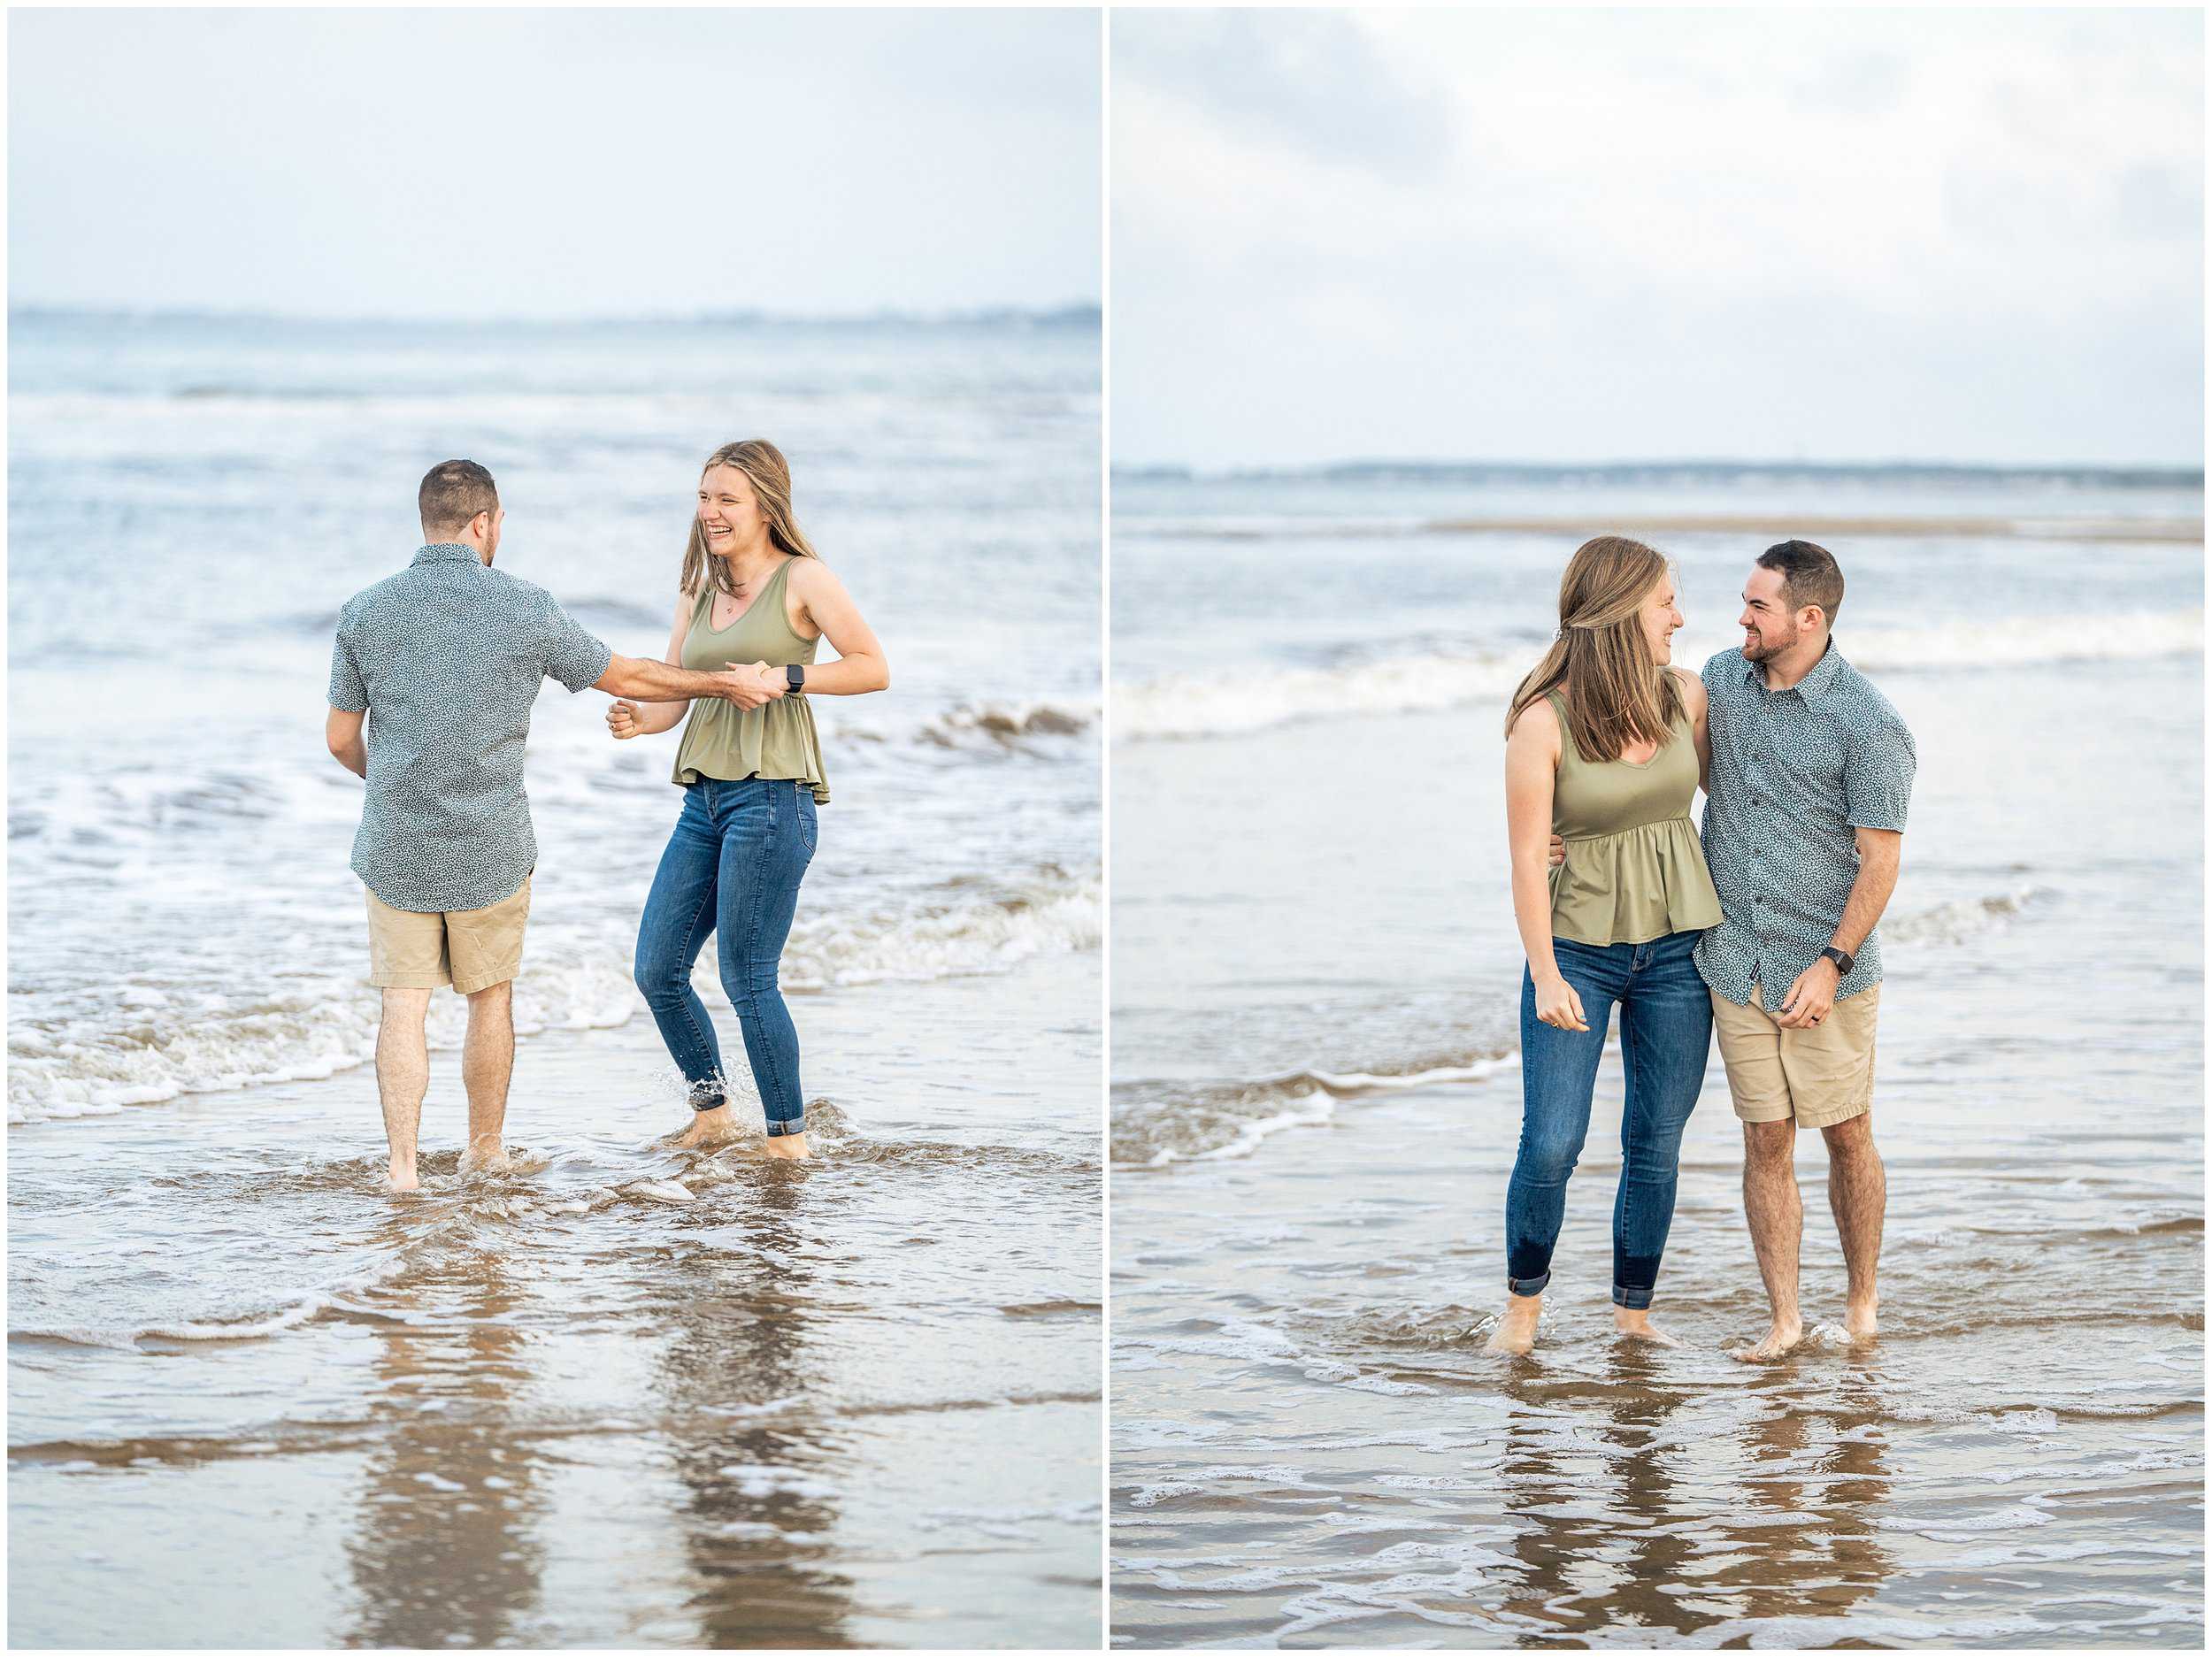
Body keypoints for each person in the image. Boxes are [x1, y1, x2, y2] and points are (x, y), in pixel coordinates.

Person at [326, 459, 783, 1193]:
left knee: (402, 1004)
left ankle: (404, 1173)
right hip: (492, 845)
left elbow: (341, 738)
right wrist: (721, 681)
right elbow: (627, 675)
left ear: (428, 521)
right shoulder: (524, 607)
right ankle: (485, 1150)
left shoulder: (366, 611)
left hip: (395, 844)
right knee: (489, 997)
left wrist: (388, 789)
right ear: (485, 523)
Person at [608, 440, 889, 1162]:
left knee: (746, 975)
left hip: (772, 798)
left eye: (726, 499)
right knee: (657, 968)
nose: (710, 512)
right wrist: (644, 719)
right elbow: (677, 688)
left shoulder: (803, 578)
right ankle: (712, 1112)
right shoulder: (696, 589)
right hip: (703, 800)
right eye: (704, 498)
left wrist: (789, 676)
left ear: (766, 505)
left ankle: (787, 1141)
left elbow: (872, 667)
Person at [1486, 535, 1724, 1354]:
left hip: (1677, 947)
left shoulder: (1687, 696)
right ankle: (1523, 1308)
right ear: (1623, 610)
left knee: (1656, 1138)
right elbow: (1523, 856)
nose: (1680, 617)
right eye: (1666, 602)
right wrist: (1546, 972)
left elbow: (1733, 798)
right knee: (1553, 1139)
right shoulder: (1541, 720)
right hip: (1576, 950)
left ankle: (1633, 1315)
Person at [1696, 540, 1914, 1362]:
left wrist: (1833, 961)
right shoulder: (1721, 679)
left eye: (1758, 605)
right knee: (1765, 1139)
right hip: (1733, 957)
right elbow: (1659, 768)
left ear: (1809, 618)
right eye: (1744, 601)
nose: (1741, 618)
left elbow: (1880, 859)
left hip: (1827, 967)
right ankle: (1785, 1319)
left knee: (1847, 1132)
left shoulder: (1870, 723)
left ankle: (1862, 1302)